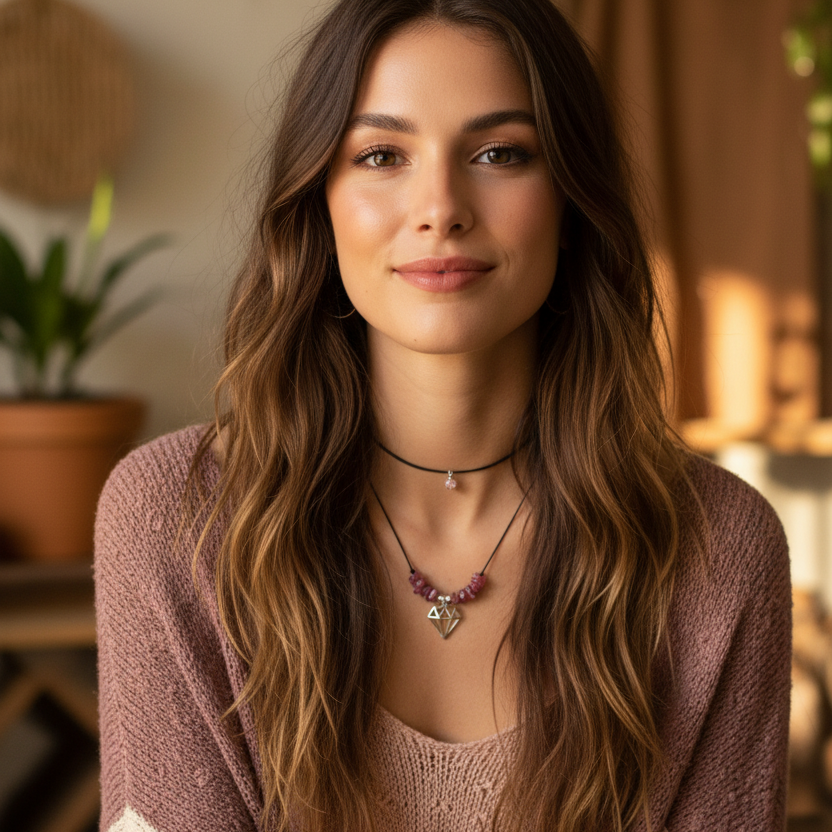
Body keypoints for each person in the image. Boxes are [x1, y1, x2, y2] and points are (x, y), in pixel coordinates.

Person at [94, 0, 792, 830]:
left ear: (572, 200)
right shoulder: (176, 518)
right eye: (383, 154)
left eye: (500, 153)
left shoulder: (719, 549)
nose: (440, 207)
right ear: (319, 201)